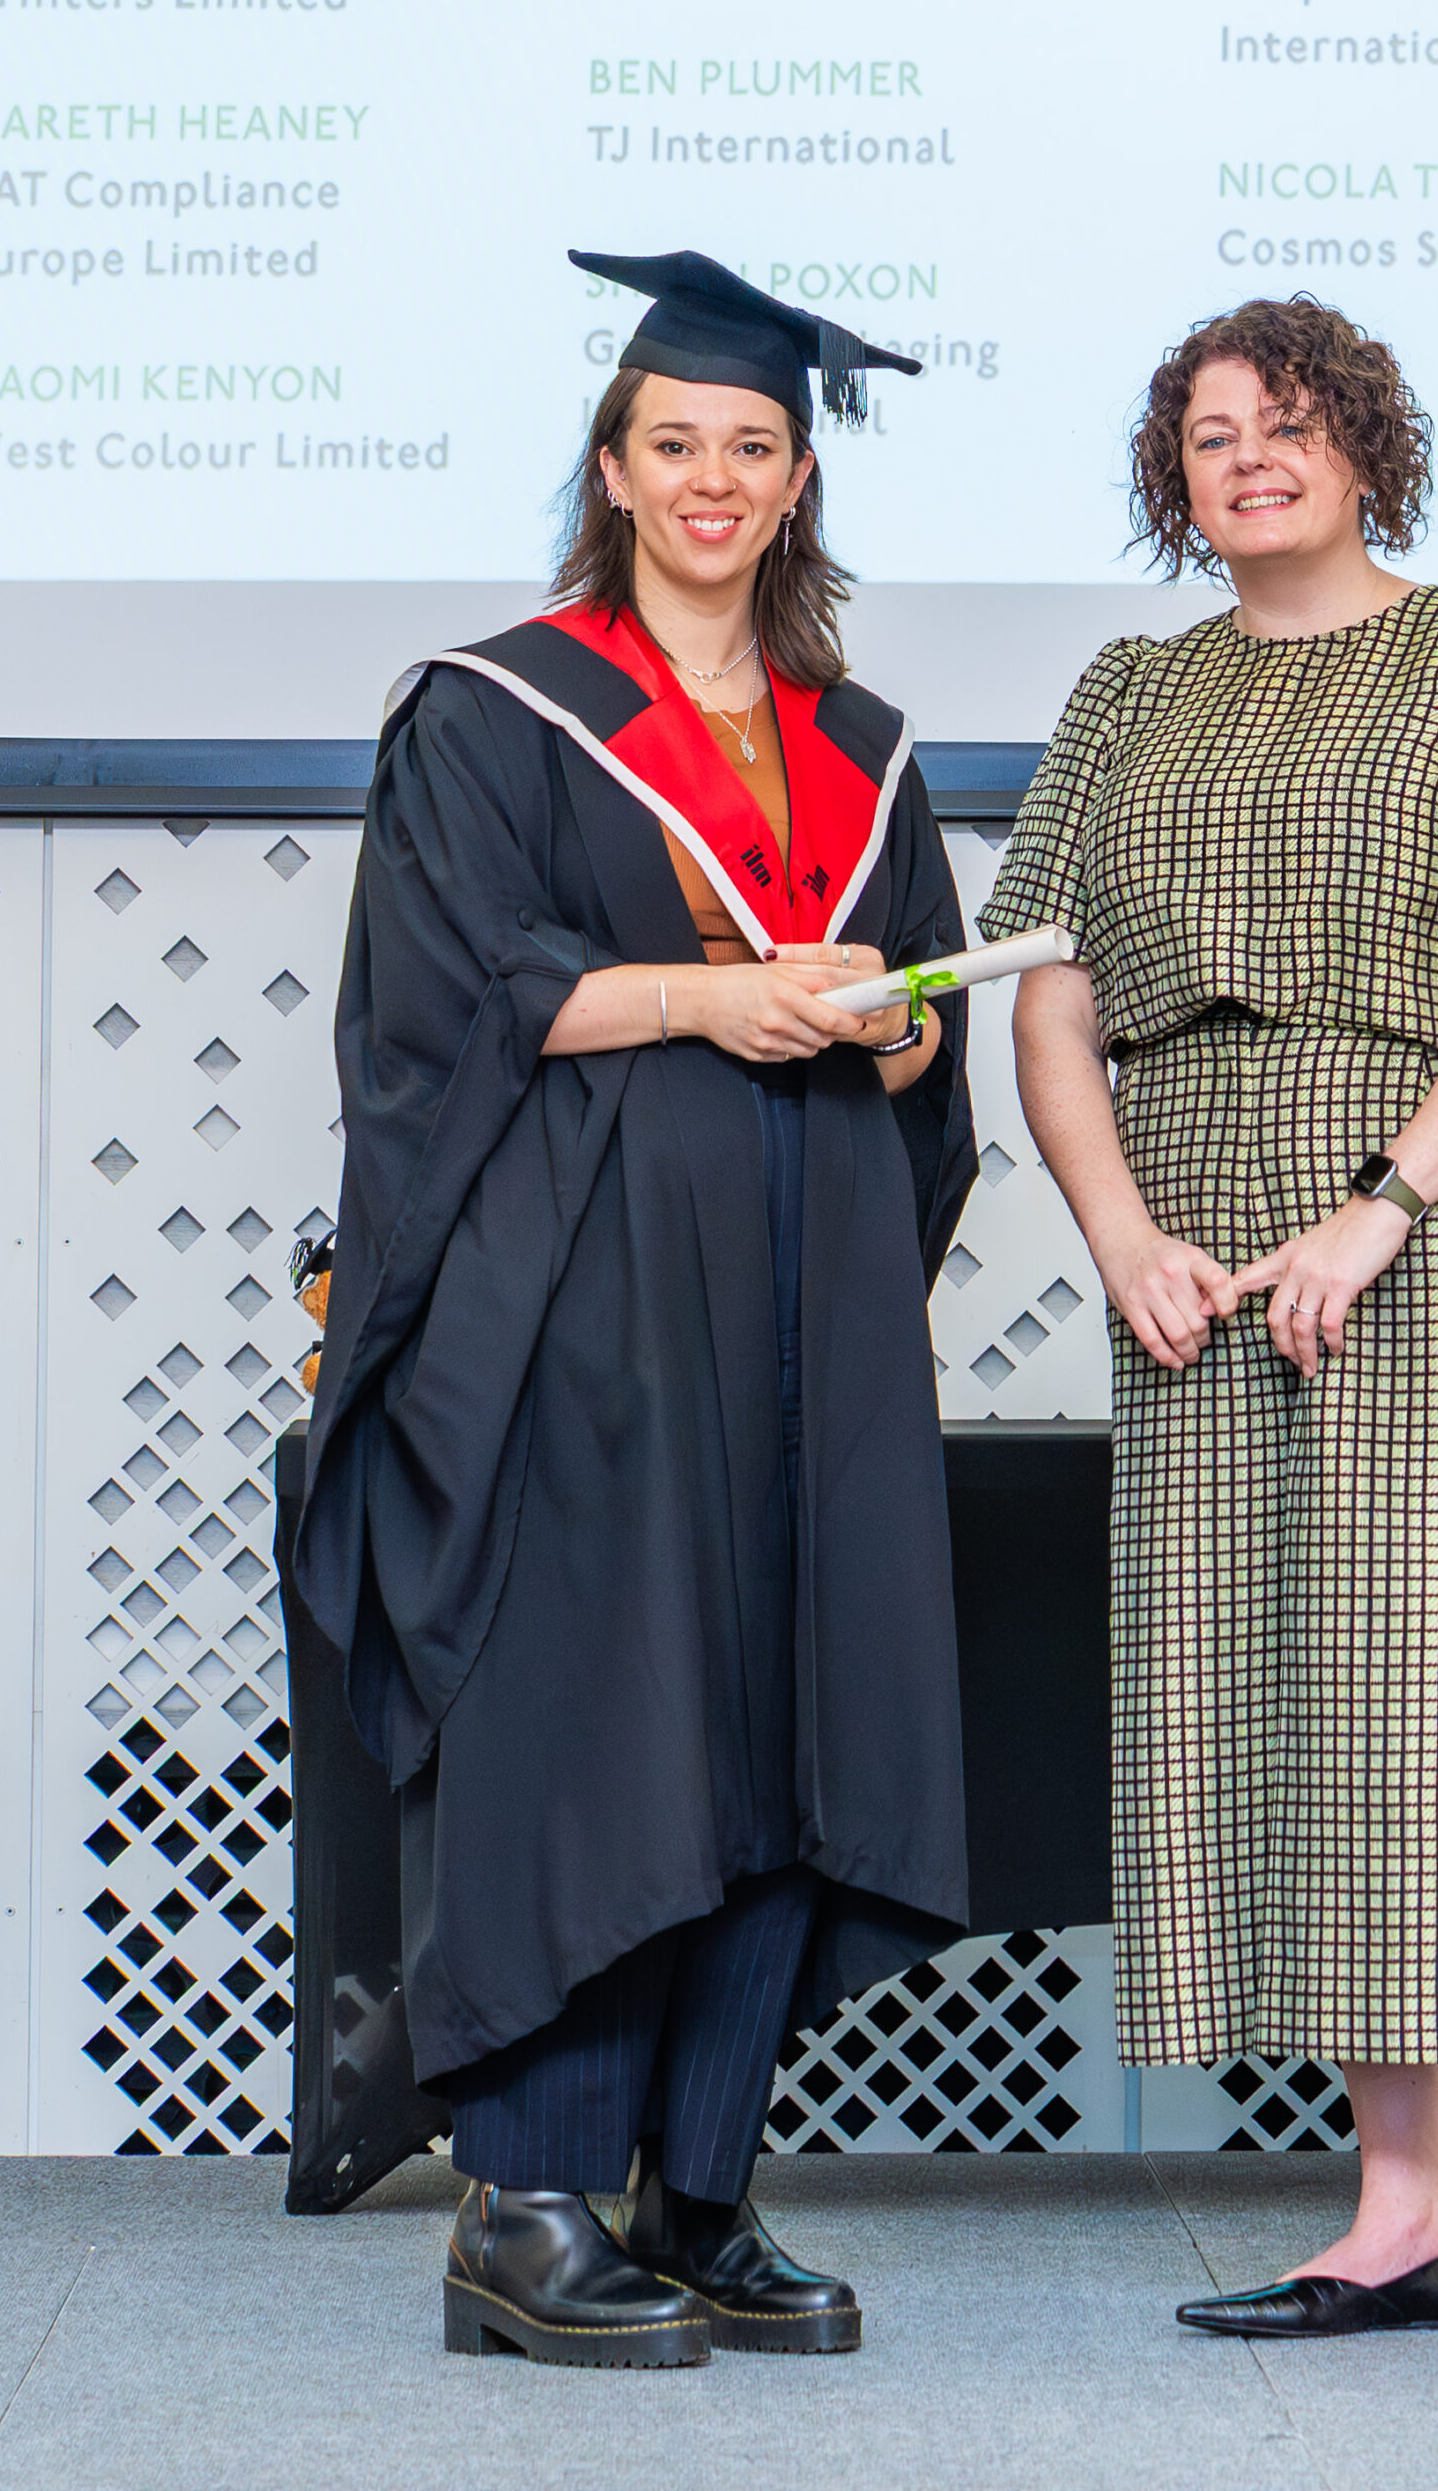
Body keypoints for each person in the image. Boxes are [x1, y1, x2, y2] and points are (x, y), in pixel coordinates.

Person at [980, 294, 1438, 2360]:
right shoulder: (1130, 691)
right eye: (1210, 435)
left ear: (1369, 446)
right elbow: (1052, 999)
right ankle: (1399, 2217)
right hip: (1198, 1249)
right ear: (1173, 479)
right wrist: (1122, 1232)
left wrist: (1381, 1206)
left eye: (1289, 422)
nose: (1250, 457)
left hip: (1435, 1231)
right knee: (1290, 1703)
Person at [296, 250, 975, 2369]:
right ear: (612, 467)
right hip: (585, 1306)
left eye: (751, 448)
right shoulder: (493, 710)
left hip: (809, 1309)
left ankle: (698, 2187)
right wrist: (705, 996)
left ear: (796, 485)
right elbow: (448, 1003)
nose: (711, 478)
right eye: (673, 442)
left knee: (782, 1715)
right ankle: (522, 2205)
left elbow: (925, 1029)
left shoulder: (861, 748)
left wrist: (889, 1030)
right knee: (597, 1710)